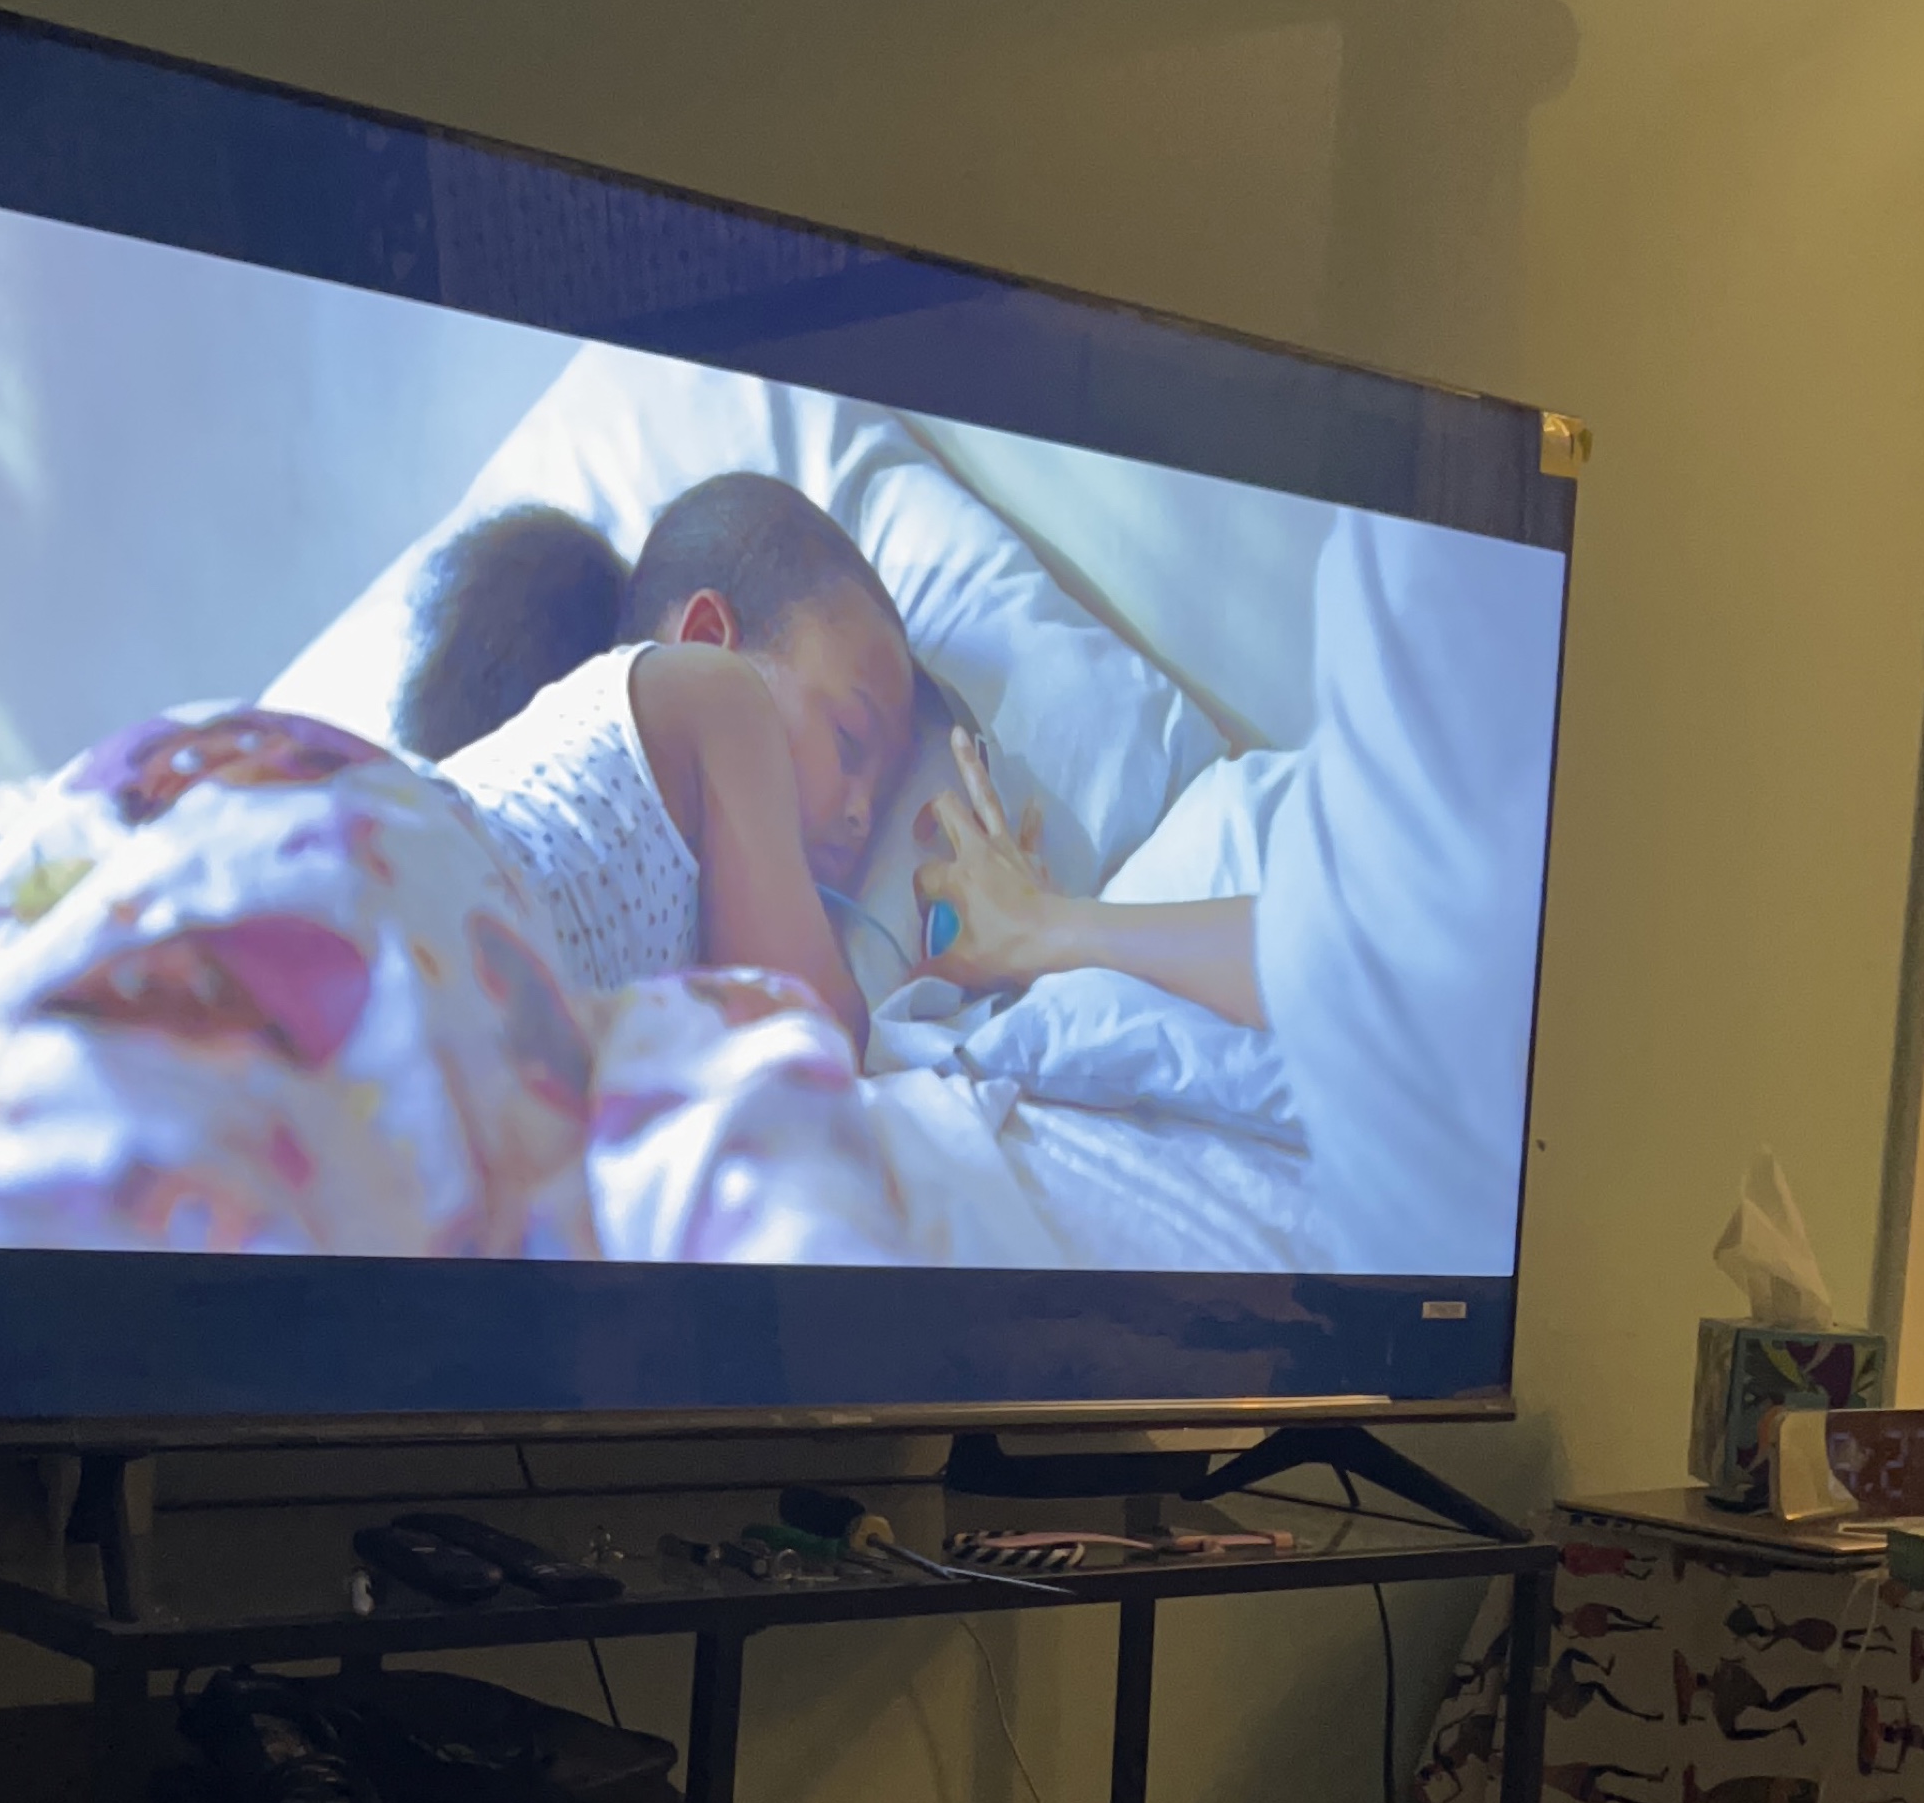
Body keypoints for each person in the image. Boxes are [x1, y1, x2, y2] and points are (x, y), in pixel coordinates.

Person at [910, 506, 1559, 1274]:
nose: (860, 809)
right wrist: (1048, 928)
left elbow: (1368, 954)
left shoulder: (1436, 564)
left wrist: (1046, 928)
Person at [416, 473, 923, 1057]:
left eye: (883, 792)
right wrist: (940, 983)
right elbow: (813, 1037)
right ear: (706, 638)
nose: (863, 813)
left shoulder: (703, 923)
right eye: (849, 741)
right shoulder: (715, 694)